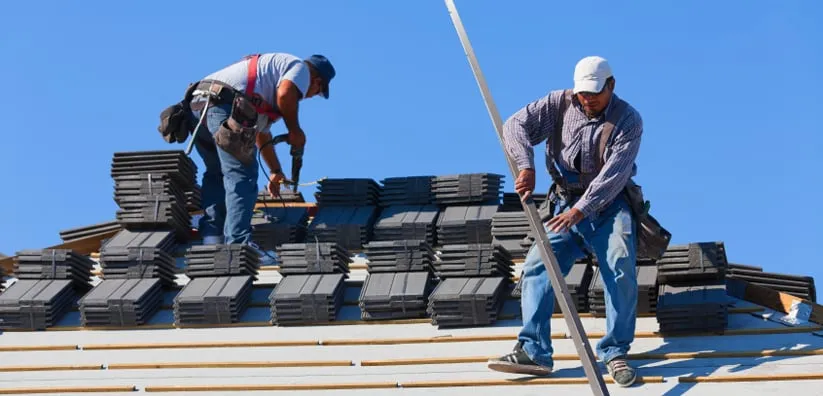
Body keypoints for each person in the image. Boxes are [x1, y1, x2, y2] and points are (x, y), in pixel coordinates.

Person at [487, 56, 643, 387]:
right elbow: (514, 126)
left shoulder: (628, 120)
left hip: (608, 206)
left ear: (611, 86)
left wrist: (581, 210)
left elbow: (613, 177)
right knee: (537, 265)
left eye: (595, 94)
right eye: (584, 94)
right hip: (564, 204)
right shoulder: (559, 105)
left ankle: (615, 352)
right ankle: (534, 350)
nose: (588, 100)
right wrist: (525, 164)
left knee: (620, 264)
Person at [187, 52, 335, 246]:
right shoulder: (300, 69)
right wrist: (295, 130)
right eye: (316, 92)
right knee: (242, 174)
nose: (309, 96)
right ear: (316, 81)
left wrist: (275, 170)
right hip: (221, 105)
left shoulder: (264, 87)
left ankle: (212, 239)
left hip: (198, 107)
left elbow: (260, 135)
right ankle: (239, 243)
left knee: (217, 173)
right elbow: (286, 94)